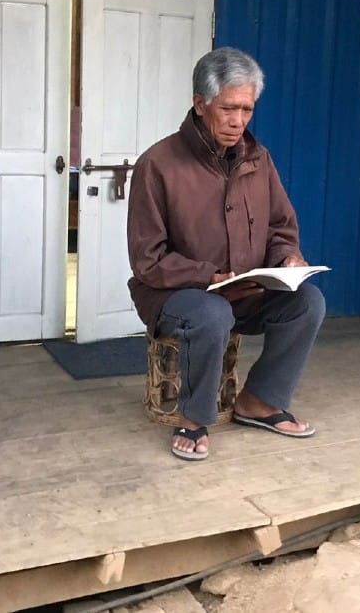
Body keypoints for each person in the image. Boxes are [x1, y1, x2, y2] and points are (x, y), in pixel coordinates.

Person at [126, 47, 325, 461]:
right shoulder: (157, 164)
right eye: (228, 108)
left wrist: (287, 258)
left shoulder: (259, 160)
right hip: (174, 295)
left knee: (308, 302)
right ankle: (194, 418)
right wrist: (208, 277)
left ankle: (260, 402)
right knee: (212, 312)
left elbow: (280, 227)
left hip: (247, 289)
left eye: (247, 109)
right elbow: (147, 258)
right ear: (201, 104)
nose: (238, 121)